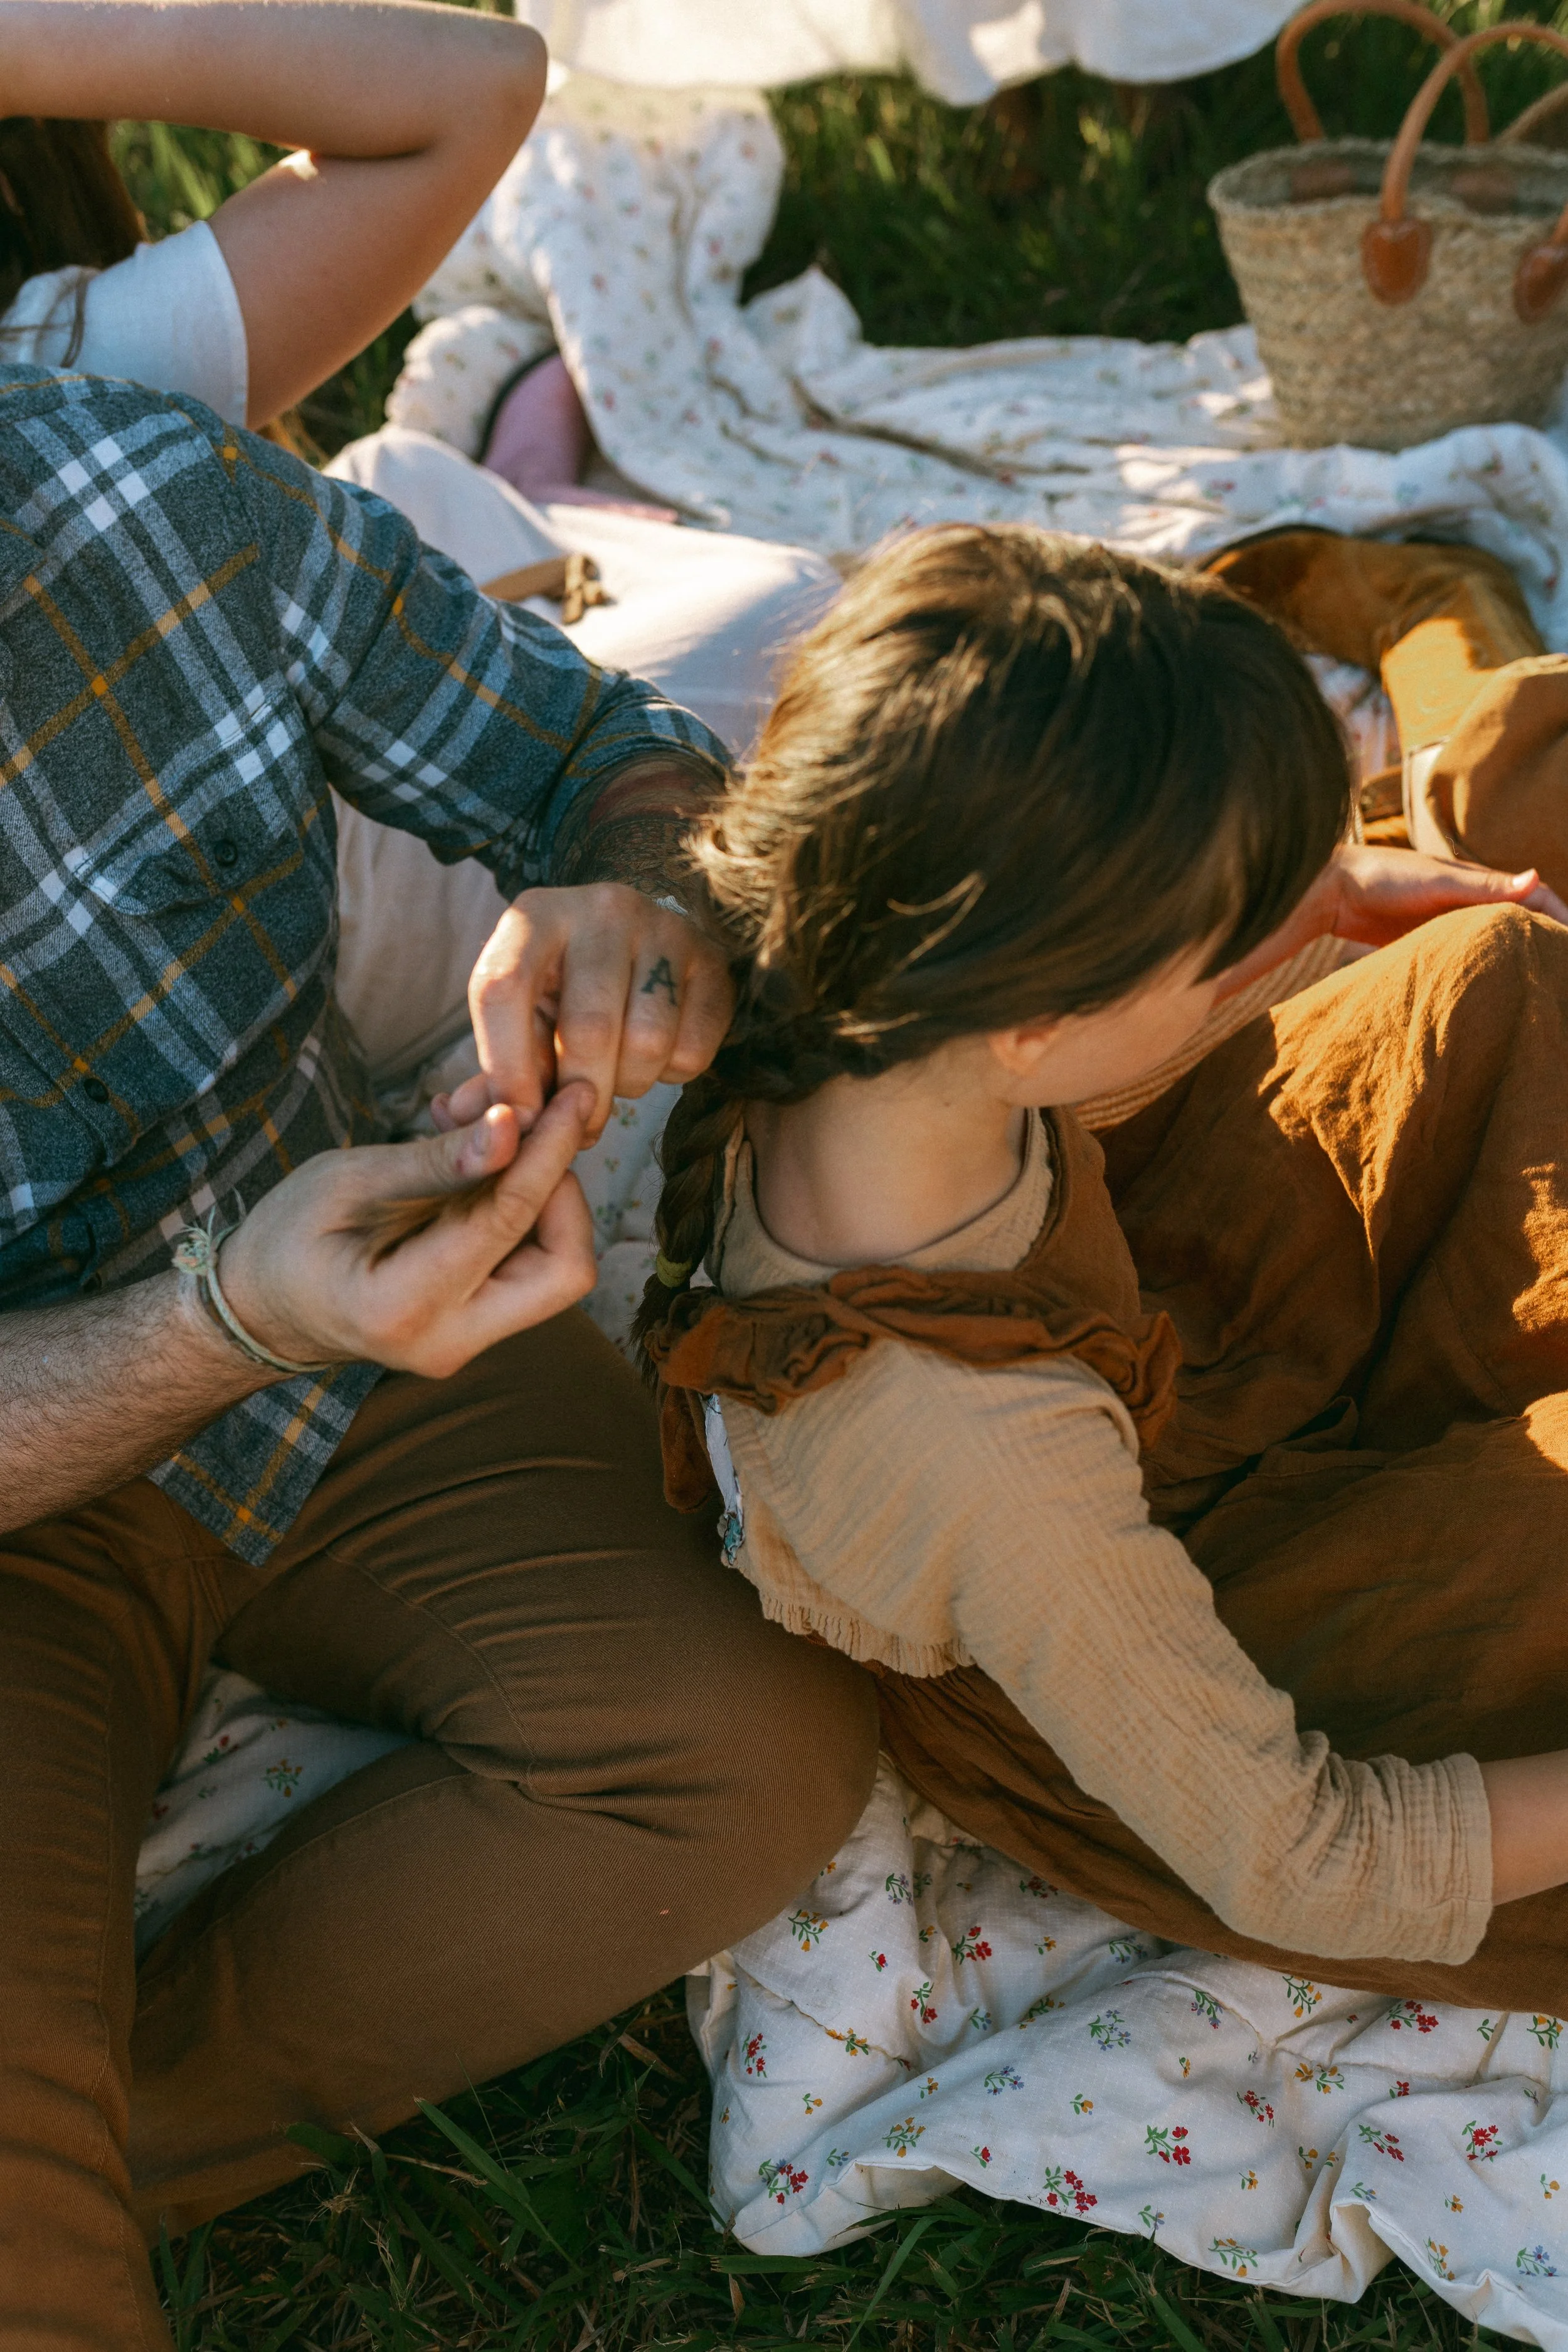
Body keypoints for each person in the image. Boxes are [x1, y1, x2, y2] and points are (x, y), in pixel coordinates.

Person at [0, 361, 877, 2351]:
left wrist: (626, 911)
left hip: (352, 1317)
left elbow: (609, 749)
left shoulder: (137, 497)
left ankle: (96, 2126)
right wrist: (216, 1318)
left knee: (745, 1748)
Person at [635, 522, 1568, 2018]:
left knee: (1481, 976)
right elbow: (1302, 1861)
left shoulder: (857, 991)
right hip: (1171, 1655)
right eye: (1226, 942)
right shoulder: (974, 1459)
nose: (1279, 940)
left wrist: (1329, 896)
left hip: (1142, 1336)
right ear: (1035, 1015)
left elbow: (1116, 1067)